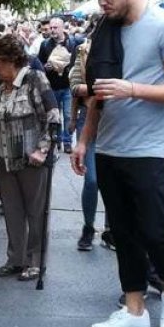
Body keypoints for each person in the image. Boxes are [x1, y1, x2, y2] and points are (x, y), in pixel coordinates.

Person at [72, 0, 164, 327]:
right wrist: (83, 140)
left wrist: (134, 89)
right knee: (123, 233)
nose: (103, 4)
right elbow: (97, 95)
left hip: (151, 149)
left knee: (156, 230)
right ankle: (135, 308)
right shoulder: (106, 31)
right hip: (110, 148)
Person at [0, 35, 60, 282]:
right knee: (12, 211)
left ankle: (35, 261)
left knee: (36, 212)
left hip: (32, 160)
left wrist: (43, 149)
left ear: (11, 60)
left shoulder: (34, 79)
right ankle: (15, 259)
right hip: (5, 159)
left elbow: (53, 117)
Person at [68, 30, 98, 251]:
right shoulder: (83, 51)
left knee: (114, 181)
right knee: (92, 180)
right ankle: (89, 227)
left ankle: (111, 229)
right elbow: (75, 87)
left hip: (118, 123)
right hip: (88, 118)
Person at [39, 17, 79, 154]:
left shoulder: (73, 42)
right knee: (55, 115)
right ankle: (57, 140)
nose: (52, 30)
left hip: (68, 85)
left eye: (55, 28)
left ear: (63, 28)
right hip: (52, 86)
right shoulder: (45, 45)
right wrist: (46, 67)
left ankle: (67, 141)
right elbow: (39, 65)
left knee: (68, 114)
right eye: (51, 27)